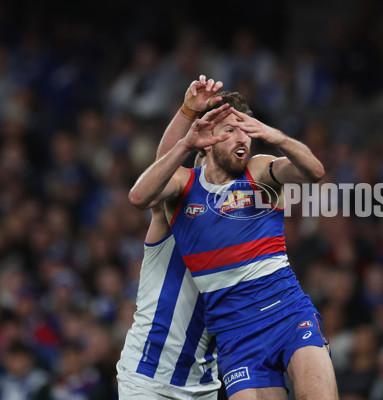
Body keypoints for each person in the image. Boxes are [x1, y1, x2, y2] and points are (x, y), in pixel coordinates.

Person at [128, 86, 338, 399]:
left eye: (246, 132)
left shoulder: (258, 171)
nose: (243, 139)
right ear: (208, 140)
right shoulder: (184, 186)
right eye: (230, 131)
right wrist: (187, 140)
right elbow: (139, 196)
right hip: (235, 334)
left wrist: (278, 138)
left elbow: (314, 172)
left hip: (288, 313)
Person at [117, 76, 227, 399]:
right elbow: (153, 180)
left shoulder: (243, 220)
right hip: (147, 379)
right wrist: (186, 115)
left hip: (203, 384)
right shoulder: (177, 204)